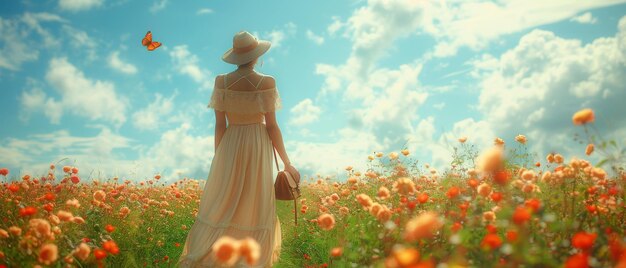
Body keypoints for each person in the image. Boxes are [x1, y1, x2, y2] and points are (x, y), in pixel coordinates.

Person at [177, 31, 300, 267]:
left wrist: (219, 157)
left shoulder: (221, 82)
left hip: (230, 143)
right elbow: (272, 127)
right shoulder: (267, 82)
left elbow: (219, 125)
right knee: (254, 204)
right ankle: (249, 260)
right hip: (257, 144)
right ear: (256, 56)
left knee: (224, 202)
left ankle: (212, 256)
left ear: (236, 56)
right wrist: (286, 162)